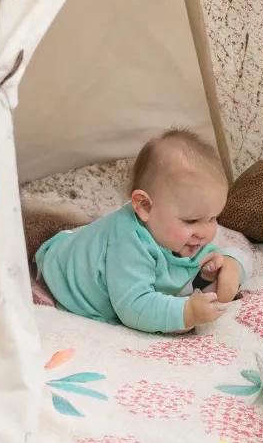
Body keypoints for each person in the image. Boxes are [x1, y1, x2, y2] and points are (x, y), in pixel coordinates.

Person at [34, 129, 248, 333]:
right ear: (145, 206)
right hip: (62, 270)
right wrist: (187, 312)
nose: (206, 232)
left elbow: (229, 254)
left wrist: (232, 265)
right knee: (94, 242)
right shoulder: (129, 245)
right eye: (191, 220)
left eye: (213, 218)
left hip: (96, 242)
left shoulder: (184, 234)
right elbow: (134, 307)